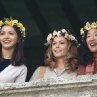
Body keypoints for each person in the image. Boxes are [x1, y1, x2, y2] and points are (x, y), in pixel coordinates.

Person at [0, 17, 27, 83]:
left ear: (18, 39)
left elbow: (18, 93)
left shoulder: (21, 69)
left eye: (11, 33)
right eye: (2, 33)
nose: (6, 37)